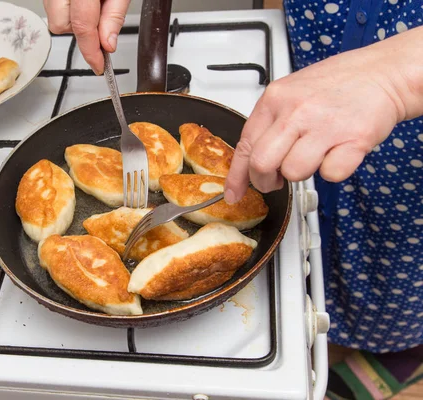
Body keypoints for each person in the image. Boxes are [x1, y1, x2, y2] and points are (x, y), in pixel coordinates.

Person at [43, 1, 422, 398]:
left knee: (392, 270)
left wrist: (397, 78)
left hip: (406, 136)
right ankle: (348, 346)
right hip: (313, 61)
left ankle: (391, 353)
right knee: (324, 243)